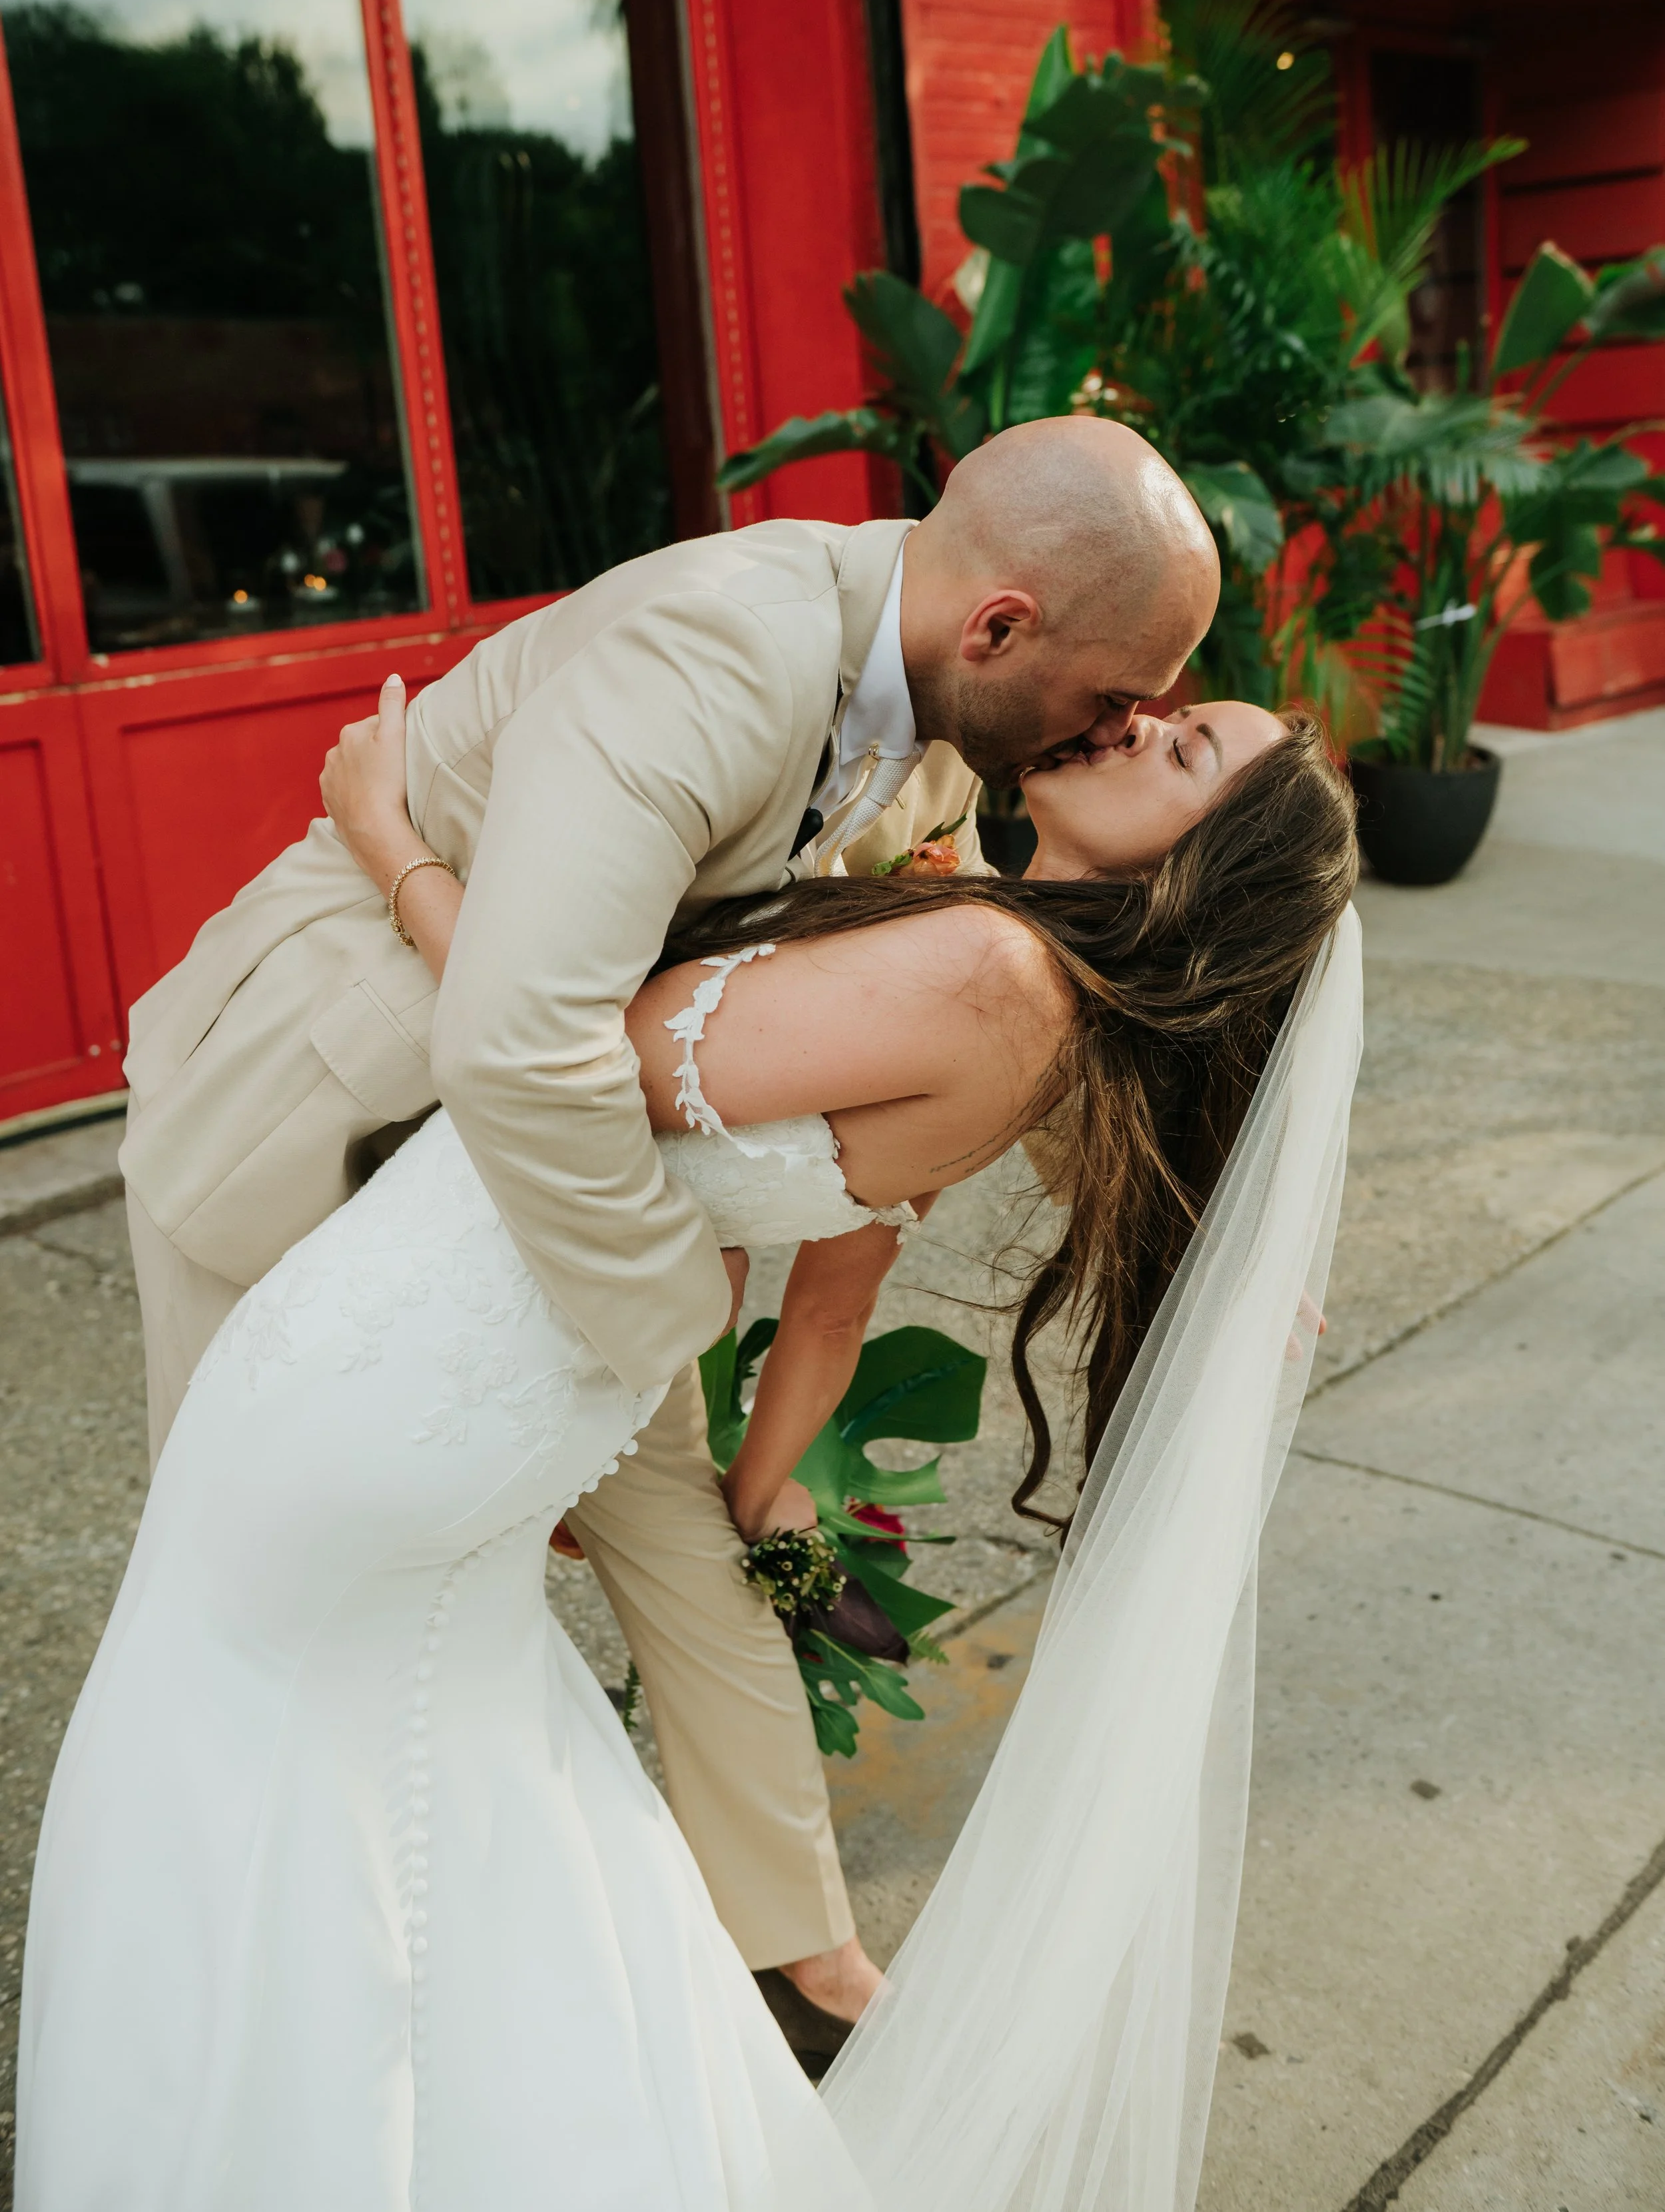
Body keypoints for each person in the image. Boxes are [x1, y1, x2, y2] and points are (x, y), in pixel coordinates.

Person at [17, 664, 1360, 2211]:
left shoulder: (996, 976)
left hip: (414, 1373)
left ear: (1204, 870)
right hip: (458, 1352)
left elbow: (564, 1067)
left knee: (247, 1733)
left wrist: (391, 845)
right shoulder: (1020, 970)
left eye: (1183, 748)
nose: (1135, 720)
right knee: (415, 1762)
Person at [113, 416, 1220, 2022]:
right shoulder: (723, 650)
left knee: (695, 1557)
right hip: (314, 1134)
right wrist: (663, 1332)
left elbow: (1021, 1027)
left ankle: (807, 1959)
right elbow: (519, 1038)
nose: (1116, 730)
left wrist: (1180, 1227)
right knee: (250, 1608)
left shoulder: (933, 730)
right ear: (1000, 630)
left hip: (558, 1183)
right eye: (1114, 696)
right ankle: (230, 1995)